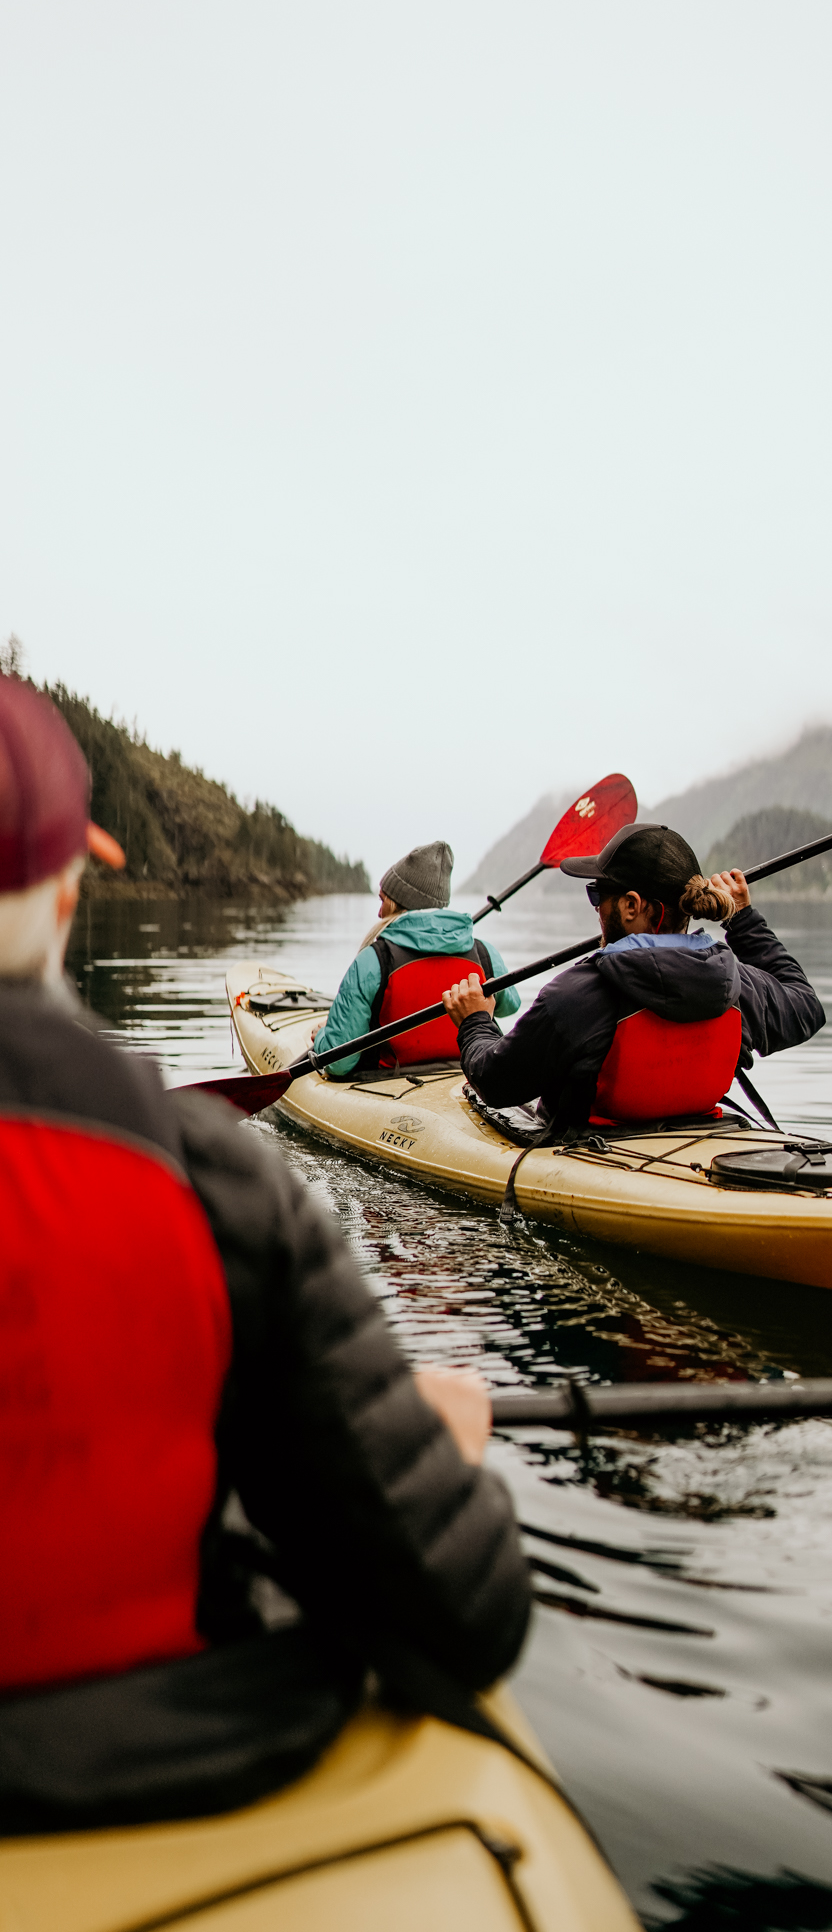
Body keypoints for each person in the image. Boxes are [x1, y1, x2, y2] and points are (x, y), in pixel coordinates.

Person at [0, 676, 530, 1833]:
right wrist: (438, 1455)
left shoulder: (359, 982)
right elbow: (471, 1612)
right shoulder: (212, 1179)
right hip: (169, 1760)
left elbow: (333, 1058)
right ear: (63, 896)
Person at [440, 821, 825, 1133]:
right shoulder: (736, 983)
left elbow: (495, 1083)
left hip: (593, 1156)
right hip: (696, 1147)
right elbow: (806, 1008)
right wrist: (742, 919)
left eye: (596, 895)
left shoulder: (575, 996)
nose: (595, 909)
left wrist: (475, 1021)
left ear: (630, 906)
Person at [312, 839, 522, 1078]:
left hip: (390, 1083)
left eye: (383, 901)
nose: (379, 913)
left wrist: (322, 1036)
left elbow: (339, 1062)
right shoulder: (484, 953)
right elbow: (510, 1005)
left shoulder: (373, 960)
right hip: (463, 1076)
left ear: (398, 903)